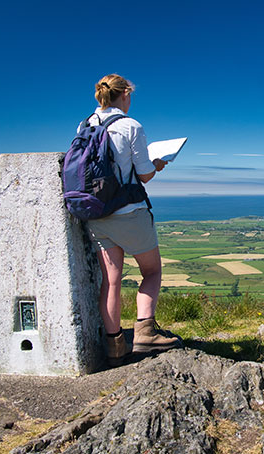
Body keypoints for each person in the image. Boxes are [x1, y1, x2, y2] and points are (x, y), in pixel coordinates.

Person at [84, 74, 181, 366]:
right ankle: (145, 334)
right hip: (129, 212)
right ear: (125, 94)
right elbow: (144, 174)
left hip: (97, 212)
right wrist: (158, 164)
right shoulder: (130, 126)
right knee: (151, 272)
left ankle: (115, 347)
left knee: (111, 282)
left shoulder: (86, 124)